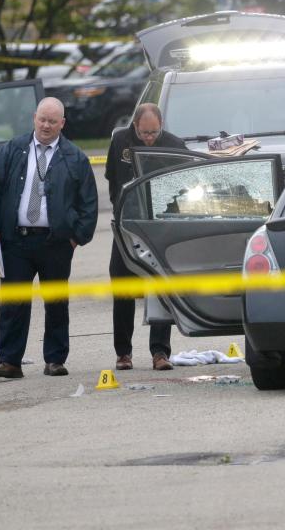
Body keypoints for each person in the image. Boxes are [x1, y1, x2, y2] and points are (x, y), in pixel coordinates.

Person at [0, 97, 97, 379]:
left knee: (56, 303)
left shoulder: (75, 157)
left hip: (55, 243)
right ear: (34, 117)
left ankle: (55, 359)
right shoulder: (14, 149)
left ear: (62, 124)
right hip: (15, 241)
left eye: (52, 121)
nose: (46, 125)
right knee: (13, 302)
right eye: (42, 119)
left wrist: (75, 238)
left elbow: (88, 204)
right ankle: (9, 361)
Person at [105, 103, 184, 371]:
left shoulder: (174, 144)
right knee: (122, 285)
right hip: (127, 225)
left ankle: (160, 352)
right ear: (135, 126)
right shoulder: (120, 142)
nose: (149, 138)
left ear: (160, 125)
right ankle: (123, 353)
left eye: (154, 132)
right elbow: (112, 180)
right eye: (144, 133)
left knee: (160, 289)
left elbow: (182, 188)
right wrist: (121, 211)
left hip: (159, 227)